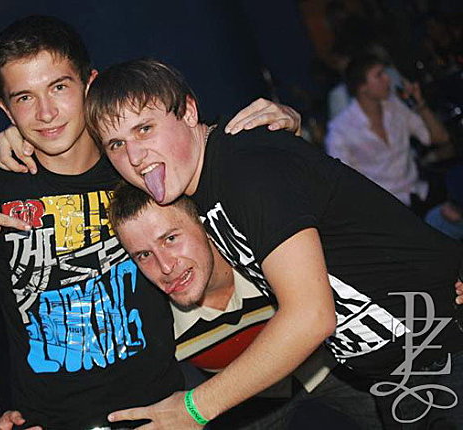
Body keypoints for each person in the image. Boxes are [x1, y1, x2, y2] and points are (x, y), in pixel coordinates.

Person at [0, 16, 303, 430]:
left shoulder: (132, 158)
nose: (46, 113)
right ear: (5, 109)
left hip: (162, 412)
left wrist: (284, 121)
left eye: (58, 87)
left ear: (89, 84)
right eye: (24, 97)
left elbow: (226, 153)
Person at [82, 58, 463, 428]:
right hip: (403, 375)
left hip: (442, 352)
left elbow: (310, 316)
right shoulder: (205, 184)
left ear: (188, 111)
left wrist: (195, 409)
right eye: (116, 144)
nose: (134, 156)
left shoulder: (246, 167)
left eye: (145, 128)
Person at [108, 183, 383, 429]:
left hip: (333, 365)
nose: (165, 266)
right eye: (144, 255)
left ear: (204, 225)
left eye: (170, 239)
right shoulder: (150, 319)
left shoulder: (267, 254)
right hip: (244, 400)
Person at [325, 54, 450, 215]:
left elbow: (440, 138)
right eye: (379, 75)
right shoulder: (341, 129)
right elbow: (342, 183)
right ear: (362, 87)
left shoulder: (395, 107)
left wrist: (420, 105)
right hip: (385, 209)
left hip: (419, 193)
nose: (387, 79)